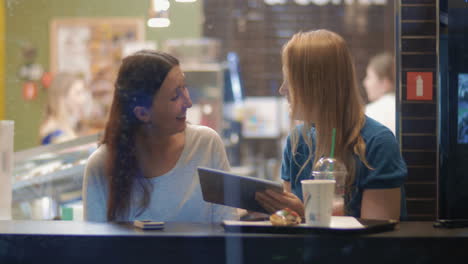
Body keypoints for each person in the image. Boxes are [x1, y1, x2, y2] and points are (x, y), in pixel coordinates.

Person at [256, 30, 407, 220]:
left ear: (316, 85)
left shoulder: (378, 143)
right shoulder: (297, 140)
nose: (282, 89)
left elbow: (378, 237)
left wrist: (306, 213)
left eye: (290, 81)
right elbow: (289, 222)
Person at [82, 50, 238, 222]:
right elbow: (95, 245)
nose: (188, 102)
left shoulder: (207, 145)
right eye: (174, 96)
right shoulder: (101, 165)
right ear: (142, 113)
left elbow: (229, 230)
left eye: (184, 87)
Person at [39, 72, 93, 144]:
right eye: (78, 93)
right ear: (62, 97)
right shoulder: (54, 132)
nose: (83, 99)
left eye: (83, 93)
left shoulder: (63, 125)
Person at [363, 52, 396, 134]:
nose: (365, 83)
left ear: (385, 83)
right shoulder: (405, 111)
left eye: (369, 77)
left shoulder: (368, 113)